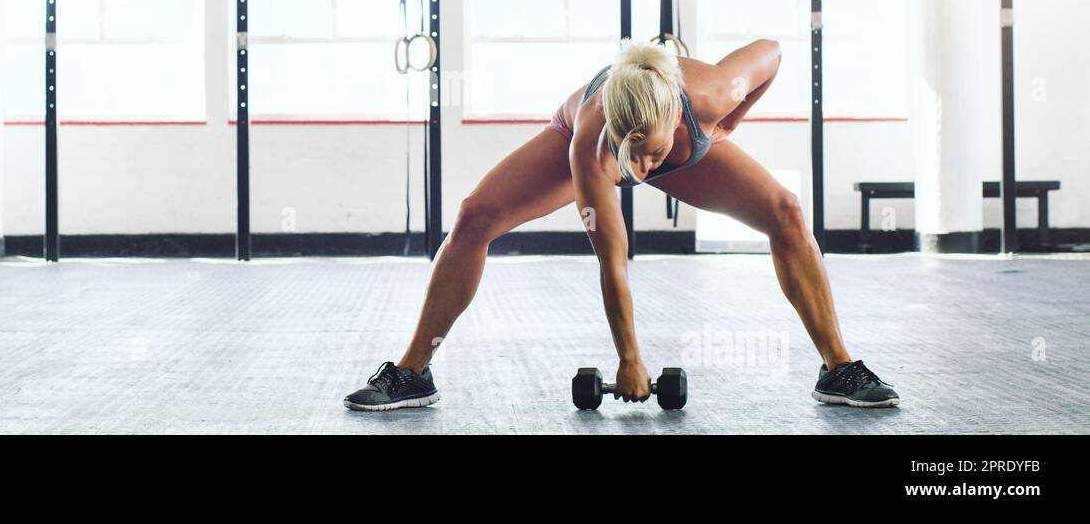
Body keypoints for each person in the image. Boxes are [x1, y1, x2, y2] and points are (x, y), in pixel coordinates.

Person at [344, 39, 899, 411]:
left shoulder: (711, 92)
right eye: (632, 156)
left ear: (676, 120)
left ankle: (839, 368)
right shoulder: (592, 145)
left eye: (650, 156)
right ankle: (413, 372)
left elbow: (772, 54)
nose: (640, 171)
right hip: (578, 139)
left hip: (692, 144)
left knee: (786, 211)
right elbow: (614, 260)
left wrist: (729, 123)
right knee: (474, 216)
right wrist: (630, 359)